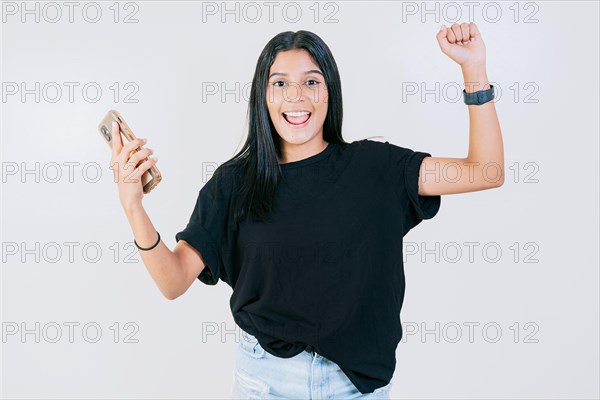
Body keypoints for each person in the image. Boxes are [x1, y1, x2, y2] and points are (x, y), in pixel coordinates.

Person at [109, 24, 504, 400]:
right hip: (267, 382)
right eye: (280, 83)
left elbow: (486, 172)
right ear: (263, 95)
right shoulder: (233, 184)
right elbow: (173, 281)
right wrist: (132, 204)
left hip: (358, 385)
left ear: (330, 92)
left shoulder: (376, 167)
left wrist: (474, 68)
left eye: (311, 81)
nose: (296, 96)